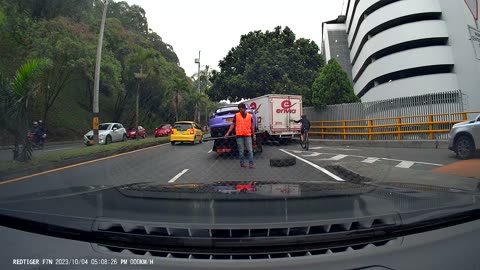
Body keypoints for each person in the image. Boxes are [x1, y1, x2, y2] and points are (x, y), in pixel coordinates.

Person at [224, 103, 256, 168]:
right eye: (239, 109)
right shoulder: (236, 115)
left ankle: (251, 164)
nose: (240, 110)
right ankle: (242, 163)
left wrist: (254, 134)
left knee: (250, 150)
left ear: (244, 109)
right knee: (241, 151)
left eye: (242, 109)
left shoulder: (250, 116)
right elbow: (233, 124)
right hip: (239, 136)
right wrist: (228, 133)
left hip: (248, 135)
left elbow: (252, 126)